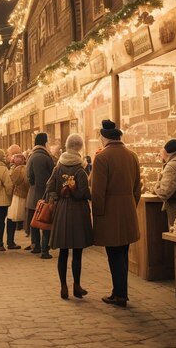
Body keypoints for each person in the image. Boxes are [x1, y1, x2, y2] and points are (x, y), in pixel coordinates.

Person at [91, 119, 141, 307]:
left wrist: (97, 214)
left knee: (114, 254)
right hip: (127, 209)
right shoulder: (132, 155)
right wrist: (131, 205)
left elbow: (97, 190)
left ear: (103, 138)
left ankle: (119, 295)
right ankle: (121, 291)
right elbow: (138, 187)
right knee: (123, 252)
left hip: (110, 212)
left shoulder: (102, 157)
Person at [46, 134, 93, 300]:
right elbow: (84, 194)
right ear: (79, 148)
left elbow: (49, 187)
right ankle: (77, 286)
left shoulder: (58, 168)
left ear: (66, 146)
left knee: (63, 251)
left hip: (62, 211)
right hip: (78, 212)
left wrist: (57, 198)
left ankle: (63, 287)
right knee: (77, 252)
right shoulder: (81, 169)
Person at [26, 132, 55, 259]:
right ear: (45, 142)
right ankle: (45, 248)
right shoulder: (47, 157)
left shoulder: (31, 157)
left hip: (33, 194)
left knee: (34, 221)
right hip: (45, 194)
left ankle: (35, 245)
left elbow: (29, 177)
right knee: (45, 220)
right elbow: (53, 175)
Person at [6, 152, 29, 249]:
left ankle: (10, 241)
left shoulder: (16, 170)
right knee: (28, 219)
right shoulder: (26, 169)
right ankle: (33, 242)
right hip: (26, 196)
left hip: (17, 196)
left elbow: (12, 182)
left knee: (11, 219)